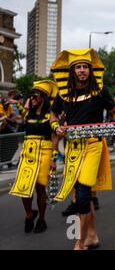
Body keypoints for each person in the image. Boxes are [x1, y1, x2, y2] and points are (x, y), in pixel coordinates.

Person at [49, 48, 115, 250]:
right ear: (72, 71)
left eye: (85, 67)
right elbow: (53, 116)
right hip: (72, 149)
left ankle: (79, 242)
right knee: (79, 195)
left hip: (94, 145)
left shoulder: (100, 91)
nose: (82, 70)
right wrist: (55, 126)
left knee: (83, 194)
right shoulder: (63, 94)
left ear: (90, 70)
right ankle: (91, 236)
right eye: (78, 67)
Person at [9, 80, 58, 233]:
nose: (32, 97)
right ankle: (30, 214)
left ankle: (42, 219)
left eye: (35, 95)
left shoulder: (51, 114)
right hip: (29, 152)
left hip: (45, 151)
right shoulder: (27, 113)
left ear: (43, 97)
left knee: (40, 187)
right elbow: (14, 117)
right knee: (24, 186)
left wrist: (53, 158)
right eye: (31, 95)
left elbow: (55, 136)